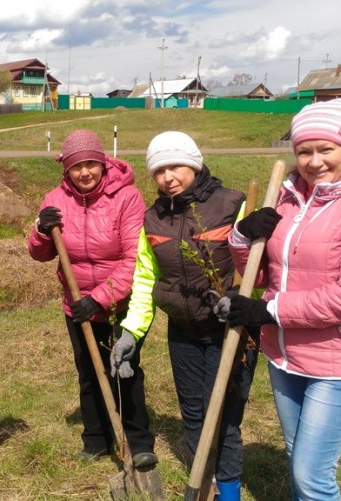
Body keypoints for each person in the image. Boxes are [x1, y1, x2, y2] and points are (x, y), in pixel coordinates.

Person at [225, 98, 341, 500]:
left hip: (338, 360)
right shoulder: (286, 200)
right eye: (304, 151)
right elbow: (263, 272)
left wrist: (268, 310)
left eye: (325, 150)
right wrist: (241, 236)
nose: (314, 161)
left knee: (311, 476)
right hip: (286, 356)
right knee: (297, 456)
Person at [117, 131, 257, 501]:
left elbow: (260, 268)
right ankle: (203, 483)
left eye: (175, 166)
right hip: (183, 331)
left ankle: (229, 493)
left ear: (194, 163)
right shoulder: (153, 219)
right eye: (159, 170)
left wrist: (241, 299)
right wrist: (131, 331)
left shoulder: (233, 205)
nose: (168, 177)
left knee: (223, 417)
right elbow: (146, 278)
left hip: (230, 332)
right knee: (193, 414)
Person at [27, 129, 157, 469]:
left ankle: (138, 439)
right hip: (76, 303)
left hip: (119, 302)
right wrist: (41, 231)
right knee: (88, 370)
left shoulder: (126, 198)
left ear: (102, 163)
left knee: (124, 369)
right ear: (66, 170)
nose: (84, 172)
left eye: (90, 164)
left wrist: (100, 299)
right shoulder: (54, 199)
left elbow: (134, 259)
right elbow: (39, 254)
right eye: (76, 167)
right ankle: (97, 438)